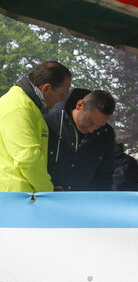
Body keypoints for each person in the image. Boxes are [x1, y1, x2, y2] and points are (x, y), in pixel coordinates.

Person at [0, 61, 71, 192]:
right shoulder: (19, 107)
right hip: (13, 198)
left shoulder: (29, 106)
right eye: (62, 93)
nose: (62, 99)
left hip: (19, 195)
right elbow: (27, 158)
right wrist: (47, 192)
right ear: (46, 88)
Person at [45, 88, 115, 191]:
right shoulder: (49, 122)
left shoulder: (106, 134)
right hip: (48, 197)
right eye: (90, 121)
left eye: (99, 126)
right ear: (79, 105)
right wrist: (43, 186)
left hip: (86, 202)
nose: (92, 130)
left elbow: (105, 176)